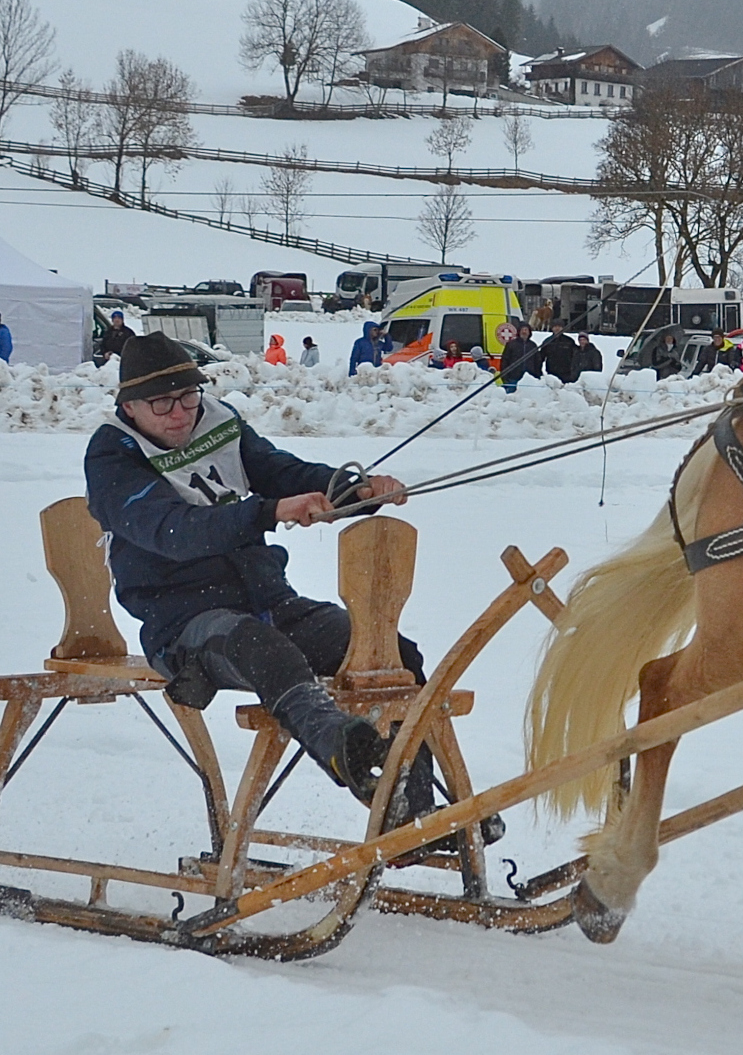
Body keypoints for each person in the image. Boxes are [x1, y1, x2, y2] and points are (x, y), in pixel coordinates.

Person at [83, 332, 481, 835]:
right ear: (131, 407)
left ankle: (411, 810)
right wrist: (268, 512)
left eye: (188, 397)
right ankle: (342, 751)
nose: (181, 413)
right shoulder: (112, 456)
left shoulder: (218, 422)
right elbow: (173, 531)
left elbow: (279, 472)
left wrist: (351, 488)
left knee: (388, 651)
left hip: (268, 600)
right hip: (185, 624)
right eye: (163, 404)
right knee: (262, 647)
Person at [498, 320, 537, 393]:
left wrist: (536, 375)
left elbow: (537, 362)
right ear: (519, 331)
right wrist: (505, 377)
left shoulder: (533, 346)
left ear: (529, 332)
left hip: (529, 380)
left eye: (526, 330)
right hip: (513, 378)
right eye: (522, 330)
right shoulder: (511, 344)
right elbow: (505, 361)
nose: (524, 332)